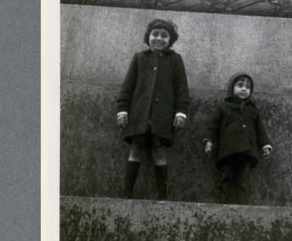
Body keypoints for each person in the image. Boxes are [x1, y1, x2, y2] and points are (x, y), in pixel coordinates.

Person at [116, 18, 190, 201]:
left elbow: (182, 88)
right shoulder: (140, 58)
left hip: (162, 116)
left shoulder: (175, 60)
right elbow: (128, 86)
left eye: (164, 36)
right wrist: (122, 109)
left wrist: (181, 112)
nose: (159, 38)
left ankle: (162, 195)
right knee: (135, 149)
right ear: (148, 37)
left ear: (170, 40)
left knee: (159, 151)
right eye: (155, 34)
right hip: (139, 114)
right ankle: (127, 193)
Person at [203, 73, 272, 204]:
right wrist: (209, 141)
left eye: (248, 87)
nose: (244, 89)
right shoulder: (224, 107)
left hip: (247, 152)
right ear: (232, 88)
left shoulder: (253, 110)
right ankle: (224, 204)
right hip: (228, 151)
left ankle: (242, 206)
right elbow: (213, 126)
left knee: (243, 180)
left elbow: (260, 130)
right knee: (227, 177)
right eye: (240, 85)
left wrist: (265, 145)